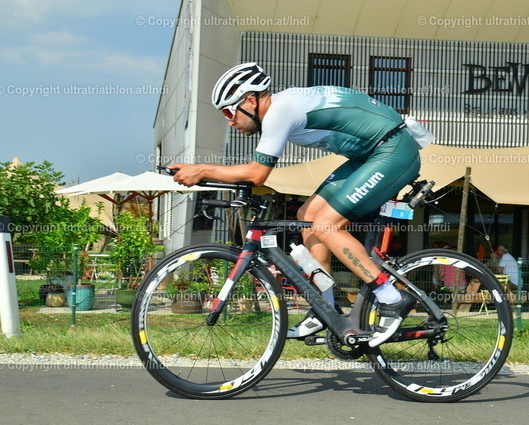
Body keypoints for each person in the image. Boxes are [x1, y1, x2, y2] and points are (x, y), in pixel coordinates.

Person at [169, 62, 419, 346]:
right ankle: (325, 307)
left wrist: (203, 170)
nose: (229, 121)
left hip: (392, 150)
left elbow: (257, 174)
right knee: (307, 216)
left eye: (229, 112)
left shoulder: (280, 110)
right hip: (371, 154)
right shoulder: (282, 107)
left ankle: (391, 297)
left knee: (326, 225)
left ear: (250, 100)